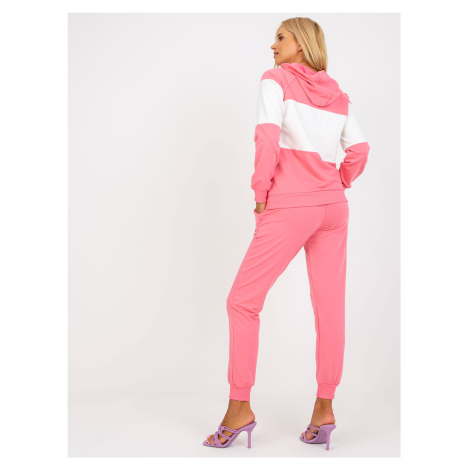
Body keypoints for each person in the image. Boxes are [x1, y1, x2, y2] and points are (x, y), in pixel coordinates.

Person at [203, 17, 370, 449]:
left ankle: (239, 408)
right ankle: (324, 408)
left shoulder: (275, 80)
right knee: (329, 309)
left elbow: (267, 138)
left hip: (291, 205)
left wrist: (260, 194)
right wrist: (337, 183)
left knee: (242, 302)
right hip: (334, 208)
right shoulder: (339, 95)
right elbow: (359, 148)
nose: (272, 45)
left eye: (280, 37)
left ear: (302, 44)